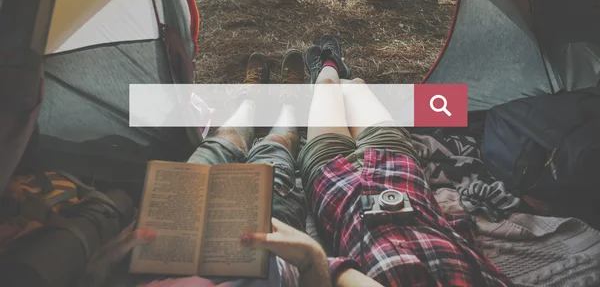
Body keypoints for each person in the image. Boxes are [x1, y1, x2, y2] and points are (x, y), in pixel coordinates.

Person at [78, 50, 332, 287]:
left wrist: (100, 267)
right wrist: (311, 257)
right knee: (277, 145)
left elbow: (93, 277)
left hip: (163, 255)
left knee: (224, 139)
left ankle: (250, 99)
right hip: (264, 255)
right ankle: (291, 102)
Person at [295, 35, 513, 286]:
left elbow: (324, 270)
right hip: (399, 172)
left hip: (336, 185)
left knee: (327, 88)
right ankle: (335, 65)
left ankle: (327, 68)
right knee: (356, 85)